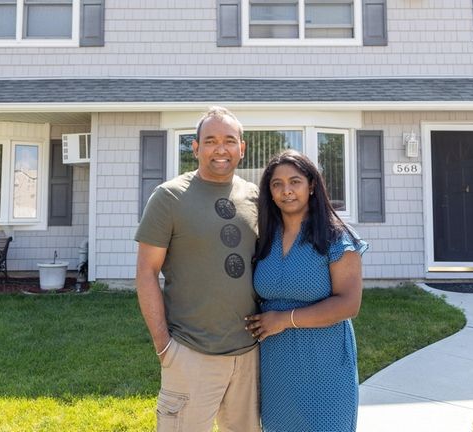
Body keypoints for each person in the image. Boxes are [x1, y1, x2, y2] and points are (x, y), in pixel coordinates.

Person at [135, 107, 260, 432]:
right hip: (191, 354)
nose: (221, 149)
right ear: (196, 147)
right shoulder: (169, 197)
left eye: (230, 141)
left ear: (242, 148)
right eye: (211, 141)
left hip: (248, 356)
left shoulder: (254, 196)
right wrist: (164, 345)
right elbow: (147, 273)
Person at [245, 149, 368, 431]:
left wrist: (283, 320)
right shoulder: (265, 238)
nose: (286, 191)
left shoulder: (337, 237)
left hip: (324, 364)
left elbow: (349, 304)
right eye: (277, 184)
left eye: (295, 181)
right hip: (276, 366)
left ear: (312, 185)